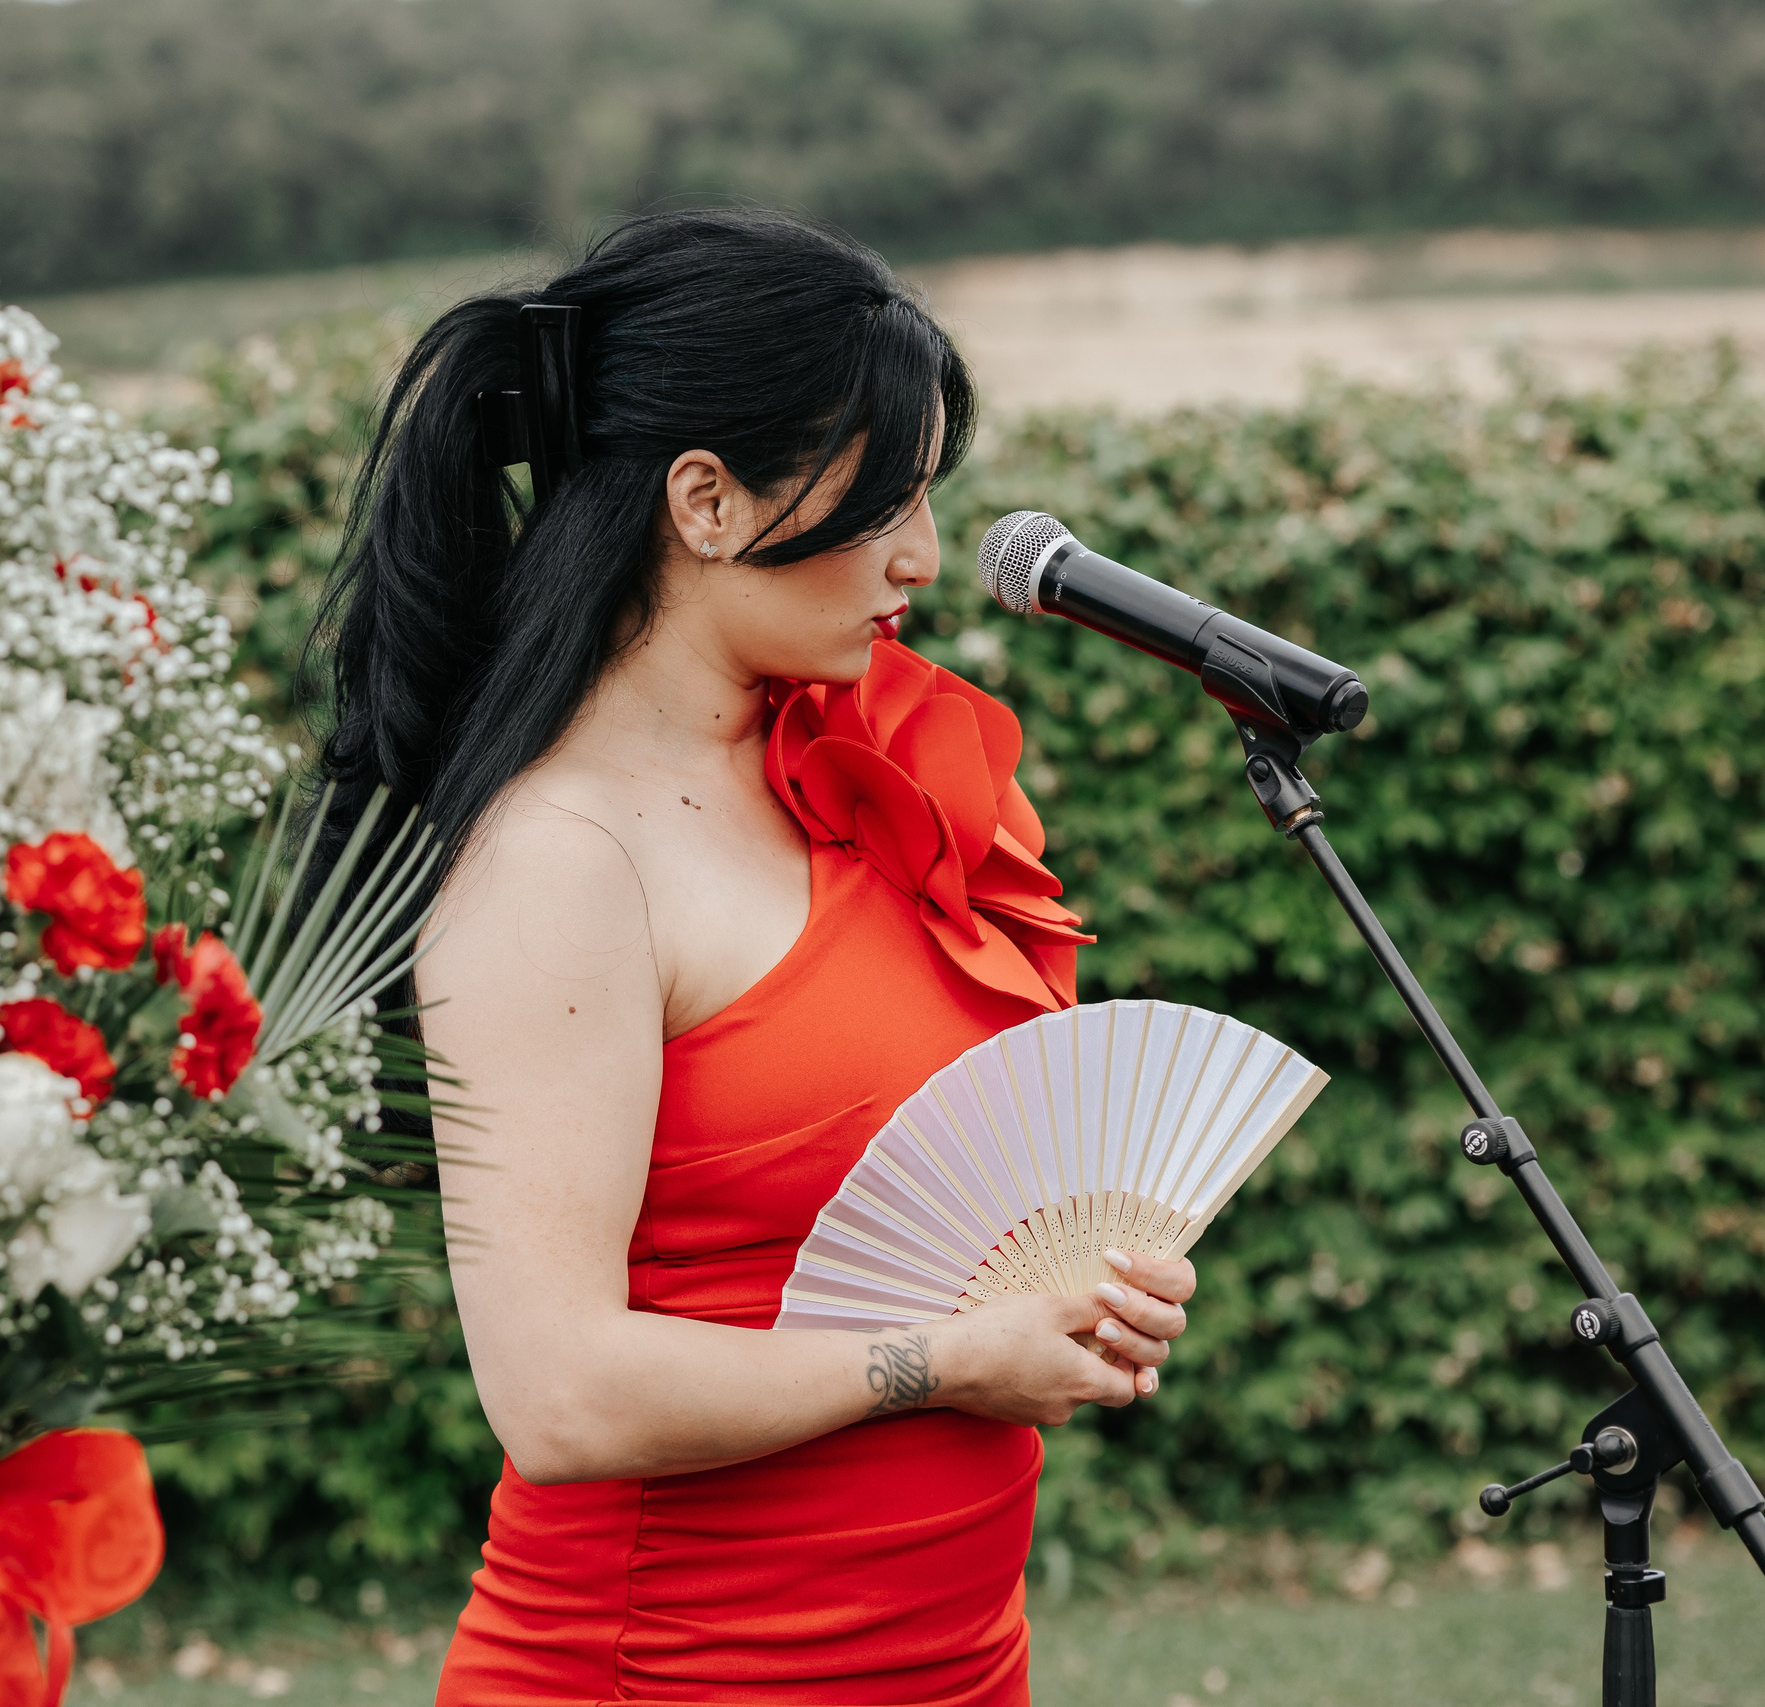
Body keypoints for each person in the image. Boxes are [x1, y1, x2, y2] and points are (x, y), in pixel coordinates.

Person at [306, 208, 1198, 1706]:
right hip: (667, 1671)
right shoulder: (557, 862)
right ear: (706, 501)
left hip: (949, 1664)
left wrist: (1082, 1293)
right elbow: (561, 1398)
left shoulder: (849, 772)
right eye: (886, 504)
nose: (923, 557)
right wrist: (950, 1359)